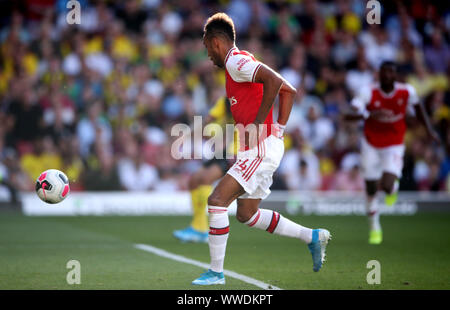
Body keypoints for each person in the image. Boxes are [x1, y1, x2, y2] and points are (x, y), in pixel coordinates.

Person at [192, 13, 331, 286]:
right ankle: (311, 237)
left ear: (216, 41)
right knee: (246, 213)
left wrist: (260, 125)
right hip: (260, 146)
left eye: (207, 47)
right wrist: (279, 128)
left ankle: (216, 273)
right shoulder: (240, 63)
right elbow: (288, 90)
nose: (208, 55)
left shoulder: (235, 60)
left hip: (260, 148)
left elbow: (276, 83)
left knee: (217, 201)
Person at [344, 61, 440, 245]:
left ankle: (392, 187)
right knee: (371, 189)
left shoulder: (406, 92)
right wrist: (367, 115)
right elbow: (349, 114)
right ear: (379, 74)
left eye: (391, 73)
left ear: (395, 76)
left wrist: (429, 130)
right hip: (370, 144)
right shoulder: (368, 92)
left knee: (387, 186)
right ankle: (375, 228)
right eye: (384, 73)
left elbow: (419, 111)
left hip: (394, 144)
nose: (387, 76)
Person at [173, 96, 236, 243]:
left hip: (237, 153)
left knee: (206, 178)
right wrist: (188, 134)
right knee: (194, 180)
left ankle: (206, 229)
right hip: (224, 151)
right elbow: (207, 120)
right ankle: (198, 227)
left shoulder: (247, 101)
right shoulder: (225, 101)